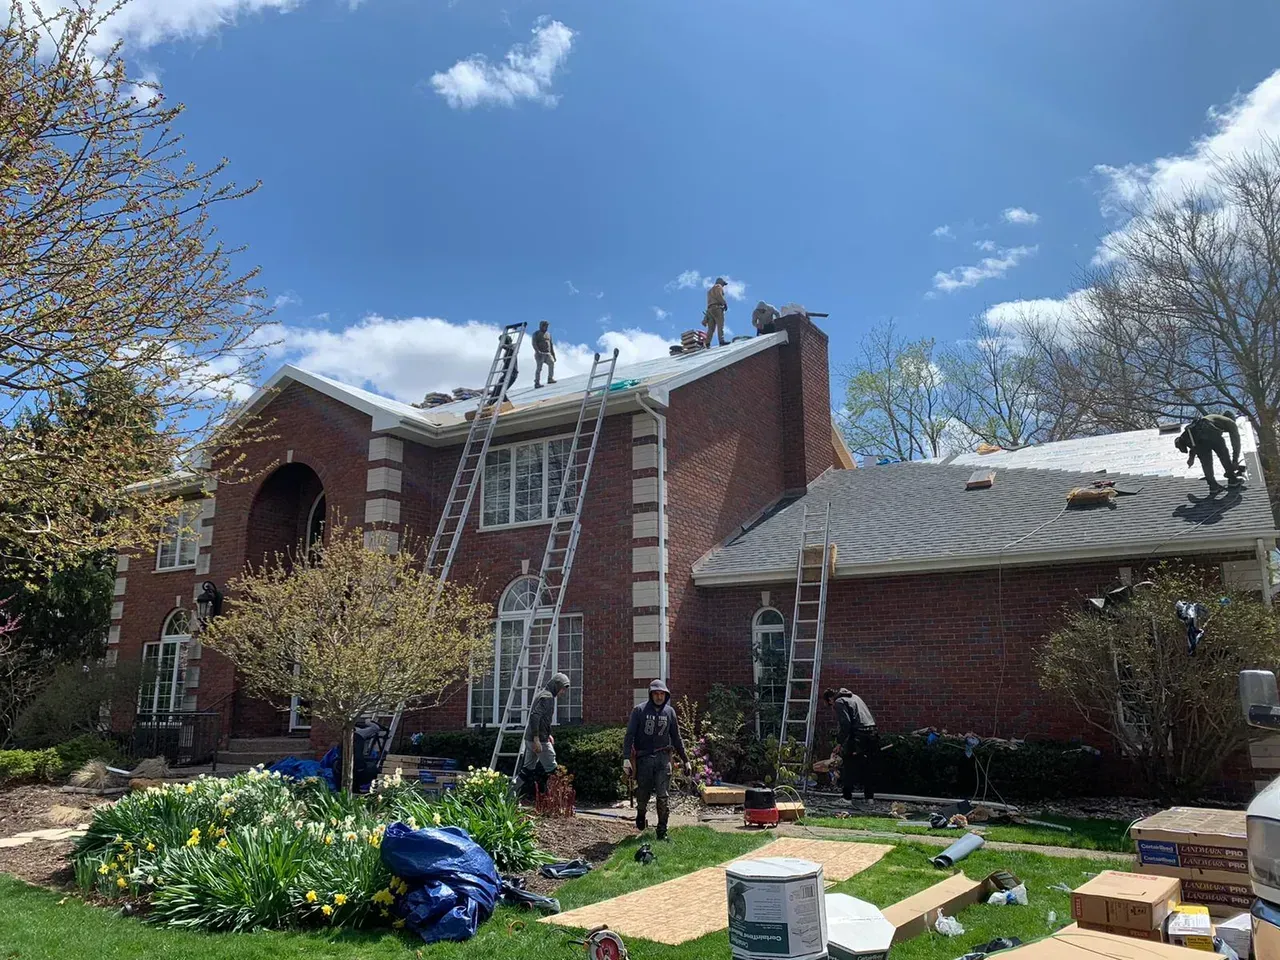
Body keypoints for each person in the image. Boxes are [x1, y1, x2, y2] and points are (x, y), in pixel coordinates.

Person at [622, 679, 691, 840]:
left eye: (662, 694)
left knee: (663, 796)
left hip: (663, 758)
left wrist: (685, 759)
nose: (659, 697)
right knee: (643, 793)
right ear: (651, 694)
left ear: (665, 695)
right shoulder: (639, 711)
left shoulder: (670, 712)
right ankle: (640, 813)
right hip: (644, 758)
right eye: (656, 694)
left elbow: (676, 737)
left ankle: (662, 830)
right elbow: (629, 735)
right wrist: (626, 758)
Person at [517, 672, 570, 801]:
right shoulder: (547, 697)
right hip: (539, 740)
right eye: (562, 688)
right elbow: (535, 716)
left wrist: (548, 734)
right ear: (556, 685)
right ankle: (556, 800)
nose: (562, 692)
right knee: (554, 770)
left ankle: (510, 792)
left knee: (527, 770)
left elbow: (544, 719)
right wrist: (537, 739)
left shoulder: (542, 694)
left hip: (531, 739)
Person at [824, 687, 878, 802]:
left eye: (830, 705)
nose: (832, 708)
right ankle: (869, 798)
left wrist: (839, 742)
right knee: (867, 766)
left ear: (830, 699)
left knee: (849, 765)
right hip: (872, 733)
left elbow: (846, 724)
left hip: (859, 734)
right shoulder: (855, 697)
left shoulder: (839, 702)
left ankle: (846, 798)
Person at [1174, 414, 1243, 493]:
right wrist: (1235, 460)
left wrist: (1191, 458)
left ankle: (1213, 486)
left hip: (1200, 438)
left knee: (1206, 463)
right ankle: (1232, 479)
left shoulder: (1210, 418)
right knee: (1223, 454)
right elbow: (1236, 443)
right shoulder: (1231, 422)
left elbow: (1194, 443)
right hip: (1210, 431)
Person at [488, 333, 518, 403]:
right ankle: (490, 403)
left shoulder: (513, 346)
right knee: (498, 388)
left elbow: (511, 349)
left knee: (500, 389)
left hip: (512, 374)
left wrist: (503, 345)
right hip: (506, 373)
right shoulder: (507, 351)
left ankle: (490, 404)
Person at [704, 278, 729, 348]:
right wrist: (724, 303)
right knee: (720, 325)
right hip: (717, 308)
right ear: (721, 283)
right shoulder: (718, 286)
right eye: (723, 284)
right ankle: (721, 341)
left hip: (710, 310)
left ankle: (707, 343)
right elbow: (719, 295)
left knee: (711, 328)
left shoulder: (710, 291)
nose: (723, 286)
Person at [532, 320, 557, 388]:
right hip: (540, 354)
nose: (546, 327)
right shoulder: (536, 333)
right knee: (539, 368)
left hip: (548, 353)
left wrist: (553, 354)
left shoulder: (548, 334)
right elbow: (534, 343)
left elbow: (551, 345)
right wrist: (537, 351)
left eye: (547, 326)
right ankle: (537, 382)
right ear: (541, 326)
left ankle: (550, 378)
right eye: (545, 326)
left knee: (551, 363)